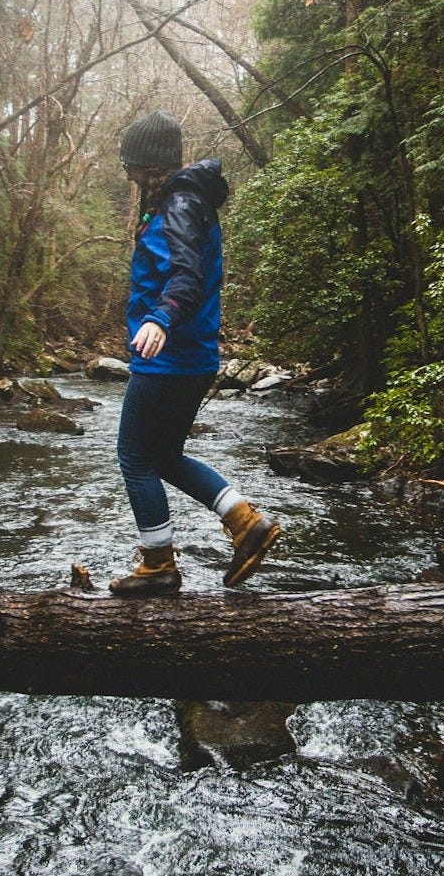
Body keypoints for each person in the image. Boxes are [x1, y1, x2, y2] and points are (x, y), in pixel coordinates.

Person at [109, 110, 281, 597]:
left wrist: (160, 319)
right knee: (164, 456)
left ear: (149, 164)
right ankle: (245, 522)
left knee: (135, 458)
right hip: (194, 355)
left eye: (131, 165)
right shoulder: (183, 201)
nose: (127, 173)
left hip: (171, 357)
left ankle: (159, 565)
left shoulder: (180, 205)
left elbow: (187, 277)